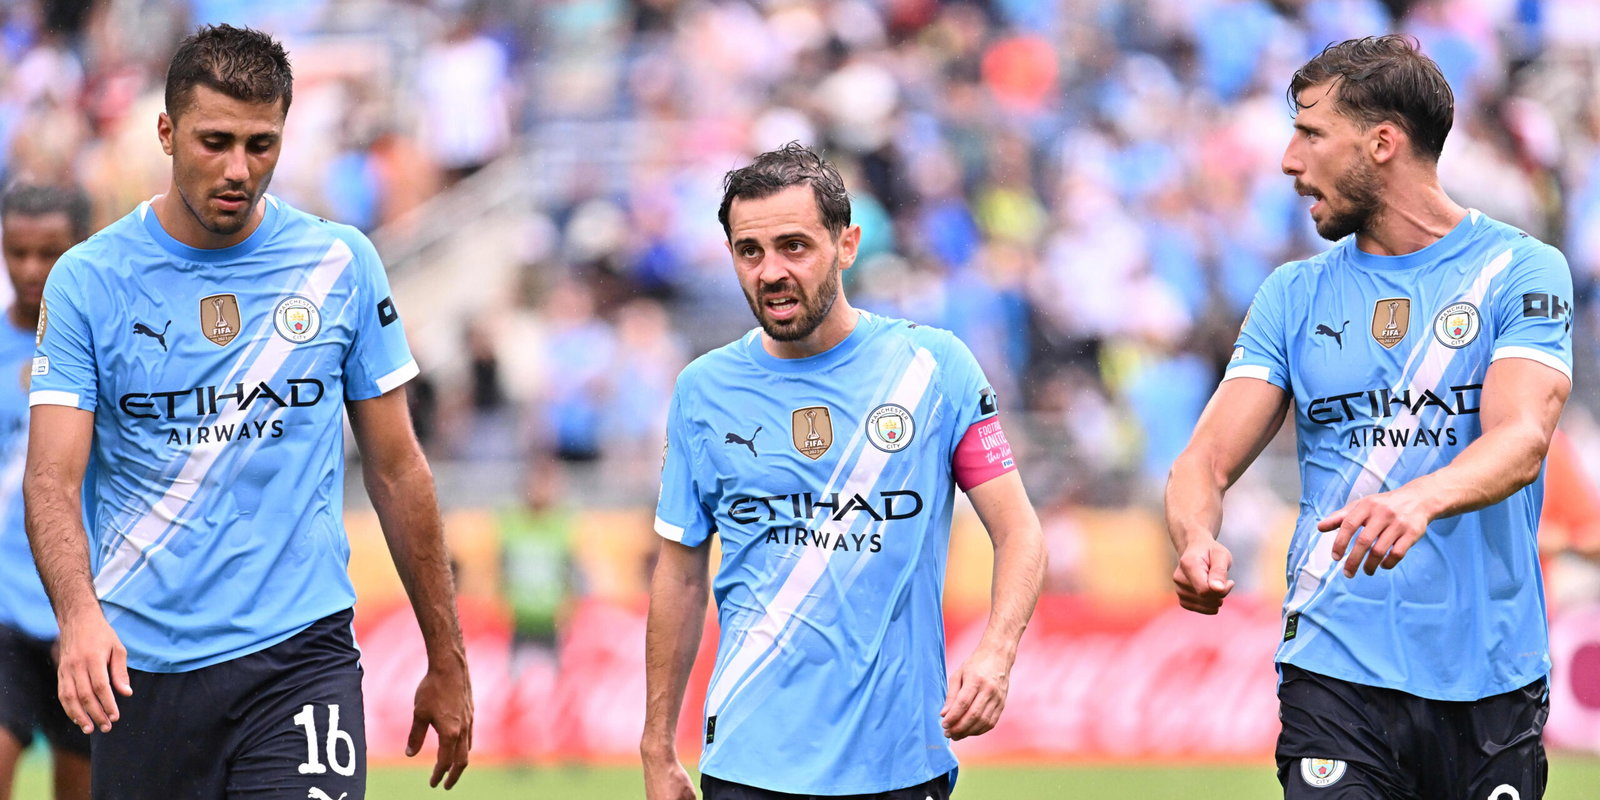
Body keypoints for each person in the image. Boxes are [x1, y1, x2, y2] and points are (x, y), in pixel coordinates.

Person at [22, 25, 472, 799]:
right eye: (215, 141)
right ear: (166, 133)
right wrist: (79, 616)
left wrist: (447, 655)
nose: (239, 169)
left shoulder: (340, 264)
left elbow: (399, 471)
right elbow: (51, 480)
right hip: (142, 668)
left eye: (261, 144)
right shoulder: (87, 282)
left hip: (299, 655)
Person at [1165, 35, 1572, 799]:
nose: (1289, 161)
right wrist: (1194, 535)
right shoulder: (1293, 294)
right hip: (1334, 665)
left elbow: (1521, 439)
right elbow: (1203, 462)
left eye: (1311, 134)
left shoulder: (1520, 270)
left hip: (1490, 675)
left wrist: (1418, 497)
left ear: (1383, 143)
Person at [641, 142, 1046, 800]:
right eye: (750, 252)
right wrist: (657, 745)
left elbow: (1020, 531)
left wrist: (998, 652)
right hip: (748, 761)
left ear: (847, 244)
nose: (770, 271)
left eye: (794, 247)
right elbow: (680, 574)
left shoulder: (933, 369)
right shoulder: (701, 391)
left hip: (899, 763)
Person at [0, 183, 92, 800]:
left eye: (50, 252)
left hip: (84, 614)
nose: (31, 269)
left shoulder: (105, 348)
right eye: (17, 251)